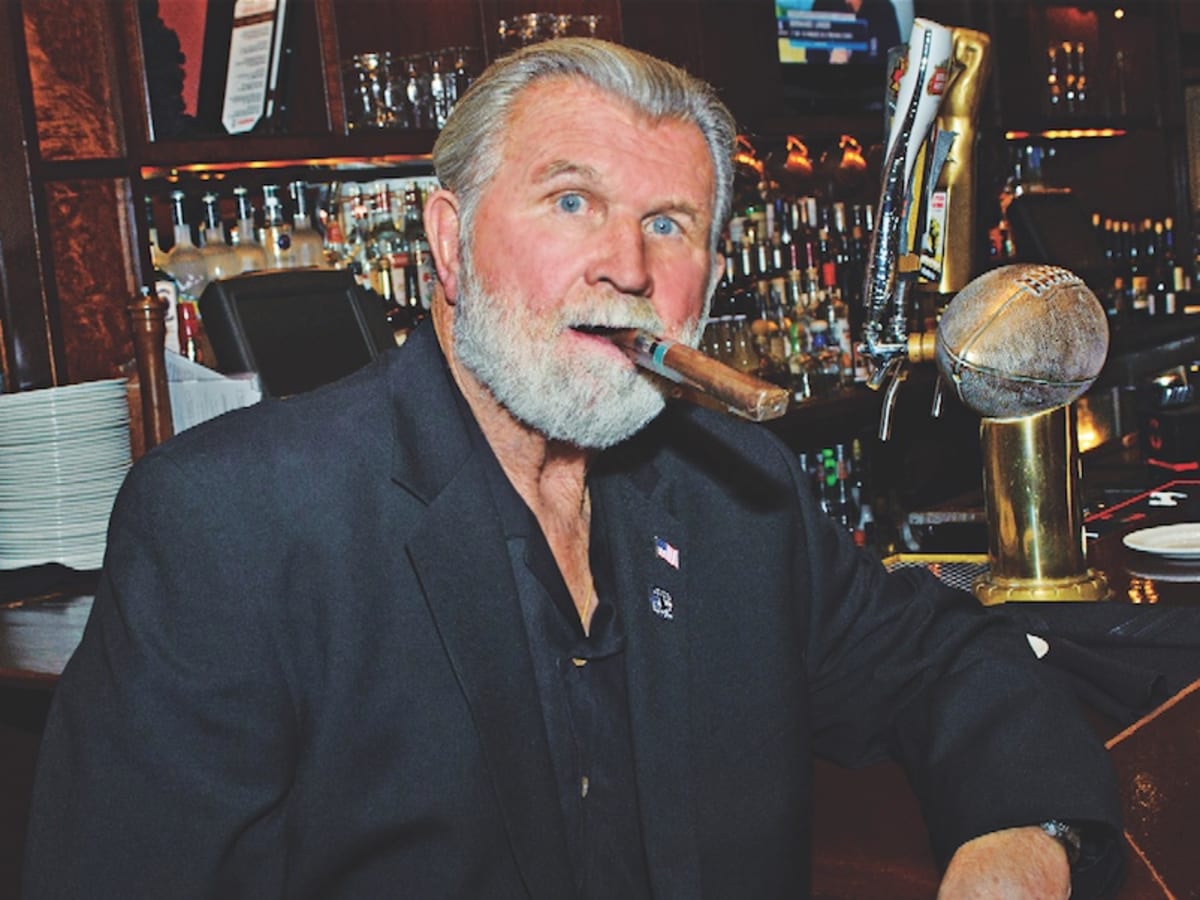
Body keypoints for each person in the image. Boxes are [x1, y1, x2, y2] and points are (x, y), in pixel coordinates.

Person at [25, 38, 1123, 898]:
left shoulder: (734, 491)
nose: (627, 265)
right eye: (570, 202)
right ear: (448, 243)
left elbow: (948, 661)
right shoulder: (236, 522)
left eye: (670, 222)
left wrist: (1029, 837)